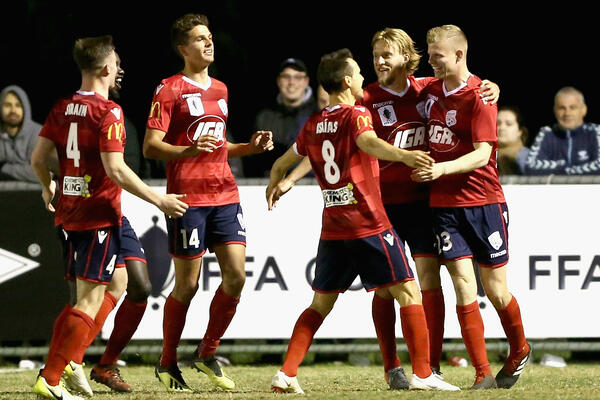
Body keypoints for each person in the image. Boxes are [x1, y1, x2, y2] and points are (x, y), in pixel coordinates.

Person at [266, 48, 460, 393]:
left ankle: (287, 372)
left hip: (334, 228)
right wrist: (406, 155)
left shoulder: (312, 123)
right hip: (369, 223)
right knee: (409, 292)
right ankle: (423, 374)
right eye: (356, 74)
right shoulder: (356, 115)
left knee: (320, 305)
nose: (361, 79)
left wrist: (277, 183)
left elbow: (282, 162)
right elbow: (369, 143)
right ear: (346, 81)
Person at [30, 34, 189, 400]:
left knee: (122, 285)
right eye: (116, 62)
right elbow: (116, 169)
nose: (119, 68)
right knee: (87, 299)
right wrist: (158, 200)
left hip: (90, 212)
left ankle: (70, 363)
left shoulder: (62, 107)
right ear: (105, 67)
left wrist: (48, 186)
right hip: (96, 214)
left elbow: (39, 159)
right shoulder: (109, 112)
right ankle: (52, 376)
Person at [359, 27, 500, 388]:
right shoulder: (365, 98)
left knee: (427, 280)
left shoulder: (426, 90)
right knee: (385, 287)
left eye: (386, 54)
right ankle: (392, 365)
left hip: (422, 202)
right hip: (382, 205)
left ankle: (430, 366)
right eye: (375, 55)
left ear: (406, 57)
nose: (379, 61)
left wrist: (491, 86)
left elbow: (466, 86)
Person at [142, 13, 274, 393]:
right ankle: (167, 360)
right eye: (200, 39)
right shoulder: (168, 89)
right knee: (187, 284)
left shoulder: (221, 88)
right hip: (189, 199)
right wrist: (185, 149)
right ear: (183, 48)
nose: (208, 43)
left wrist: (249, 147)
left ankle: (206, 352)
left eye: (210, 36)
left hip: (225, 194)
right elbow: (152, 145)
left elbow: (219, 146)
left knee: (236, 276)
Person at [411, 24, 530, 390]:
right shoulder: (430, 89)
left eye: (437, 56)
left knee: (495, 289)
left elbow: (482, 155)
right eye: (429, 55)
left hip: (484, 202)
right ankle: (482, 373)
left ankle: (520, 349)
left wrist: (441, 167)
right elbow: (398, 88)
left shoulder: (480, 96)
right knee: (463, 284)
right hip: (444, 206)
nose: (431, 62)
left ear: (459, 55)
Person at [247, 57, 320, 177]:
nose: (292, 82)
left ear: (306, 81)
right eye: (286, 77)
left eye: (298, 77)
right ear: (278, 81)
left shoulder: (319, 114)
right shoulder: (264, 118)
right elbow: (254, 161)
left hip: (313, 187)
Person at [524, 86, 600, 175]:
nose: (567, 113)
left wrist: (563, 170)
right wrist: (566, 167)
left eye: (572, 107)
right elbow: (530, 166)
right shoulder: (546, 133)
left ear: (584, 110)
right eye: (562, 108)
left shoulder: (595, 131)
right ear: (554, 110)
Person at [0, 85, 42, 182]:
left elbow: (44, 172)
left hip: (34, 196)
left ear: (25, 109)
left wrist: (4, 168)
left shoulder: (39, 134)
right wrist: (25, 169)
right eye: (7, 105)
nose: (13, 110)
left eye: (18, 105)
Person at [497, 105, 529, 175]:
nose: (502, 128)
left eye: (509, 124)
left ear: (520, 131)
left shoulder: (528, 157)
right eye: (498, 123)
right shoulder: (486, 155)